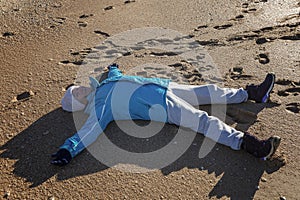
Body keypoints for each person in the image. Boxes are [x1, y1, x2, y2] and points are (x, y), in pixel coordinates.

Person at [51, 63, 281, 166]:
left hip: (164, 86)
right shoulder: (101, 105)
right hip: (161, 107)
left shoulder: (104, 83)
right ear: (80, 104)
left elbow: (116, 74)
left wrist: (113, 68)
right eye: (77, 94)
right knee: (202, 120)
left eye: (76, 88)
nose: (80, 89)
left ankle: (252, 93)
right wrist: (68, 149)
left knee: (208, 92)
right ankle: (250, 145)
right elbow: (90, 130)